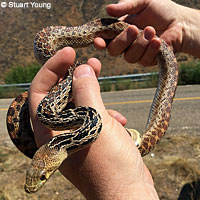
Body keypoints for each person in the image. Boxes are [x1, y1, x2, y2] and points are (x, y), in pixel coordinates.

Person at [29, 0, 200, 199]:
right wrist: (183, 24)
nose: (37, 183)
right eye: (41, 177)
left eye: (43, 176)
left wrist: (118, 188)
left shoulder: (55, 120)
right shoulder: (58, 121)